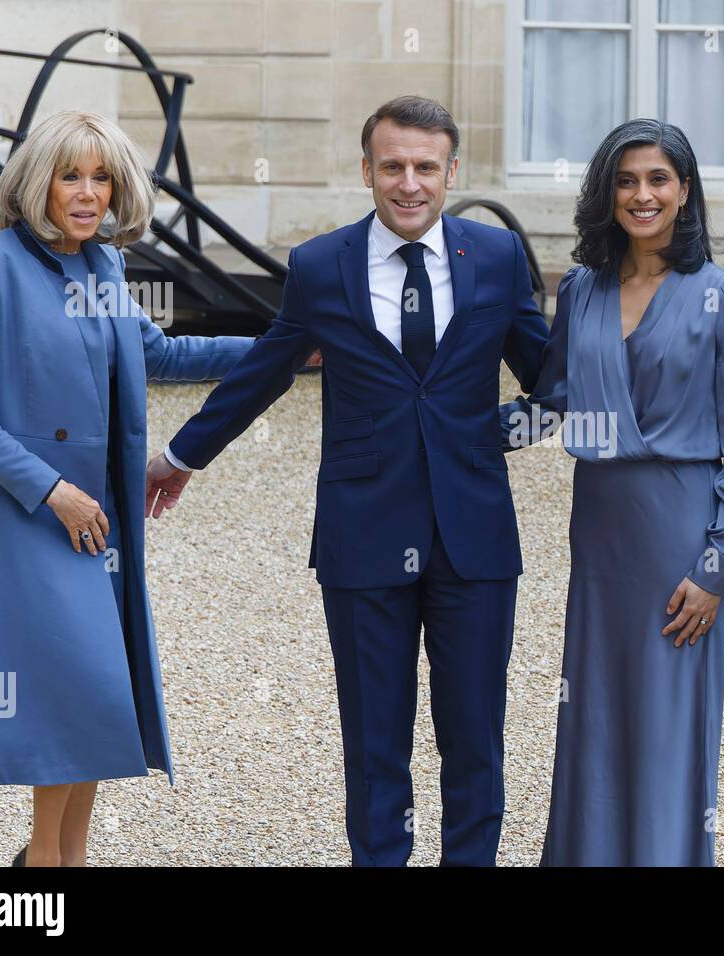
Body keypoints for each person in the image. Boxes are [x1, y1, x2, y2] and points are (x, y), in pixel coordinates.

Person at [143, 96, 550, 867]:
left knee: (474, 741)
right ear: (366, 169)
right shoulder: (320, 265)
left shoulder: (493, 259)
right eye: (391, 165)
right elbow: (265, 371)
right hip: (364, 537)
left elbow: (552, 381)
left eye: (425, 167)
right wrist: (181, 456)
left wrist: (498, 435)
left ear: (451, 172)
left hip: (475, 540)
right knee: (374, 745)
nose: (409, 183)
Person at [0, 111, 255, 865]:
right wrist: (53, 492)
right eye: (72, 174)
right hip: (31, 520)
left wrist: (281, 350)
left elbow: (160, 355)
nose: (88, 192)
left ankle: (65, 862)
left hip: (100, 523)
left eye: (101, 177)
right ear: (39, 181)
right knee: (78, 695)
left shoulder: (103, 267)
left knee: (101, 703)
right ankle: (42, 867)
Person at [501, 119, 724, 866]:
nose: (641, 195)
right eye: (626, 181)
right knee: (594, 709)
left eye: (657, 180)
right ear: (606, 192)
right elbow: (552, 403)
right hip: (602, 529)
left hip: (679, 535)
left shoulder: (723, 297)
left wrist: (718, 568)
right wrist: (451, 430)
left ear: (685, 191)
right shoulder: (582, 288)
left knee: (667, 720)